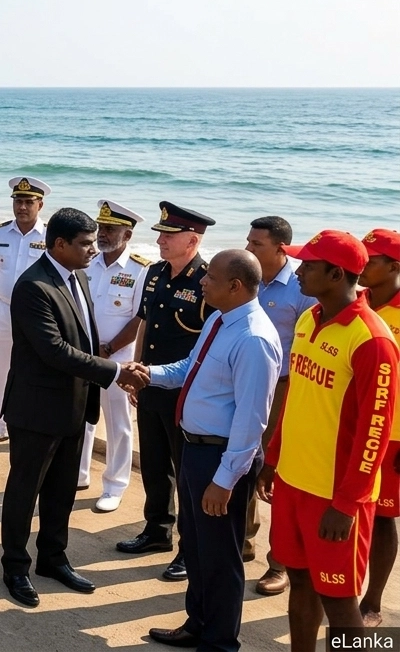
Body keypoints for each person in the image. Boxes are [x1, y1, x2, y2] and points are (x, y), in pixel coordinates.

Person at [128, 250, 281, 651]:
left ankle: (220, 642)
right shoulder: (219, 319)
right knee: (196, 547)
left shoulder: (254, 339)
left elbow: (251, 420)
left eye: (210, 277)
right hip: (196, 450)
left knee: (220, 557)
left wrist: (225, 480)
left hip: (221, 458)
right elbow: (189, 369)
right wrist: (149, 373)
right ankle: (198, 624)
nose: (201, 282)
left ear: (235, 286)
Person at [0, 207, 147, 608]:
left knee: (62, 489)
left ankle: (52, 558)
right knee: (25, 491)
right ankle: (15, 566)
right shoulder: (33, 287)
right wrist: (115, 372)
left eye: (94, 241)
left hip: (74, 406)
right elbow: (55, 350)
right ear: (59, 244)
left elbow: (85, 338)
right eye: (85, 243)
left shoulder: (78, 275)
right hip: (37, 408)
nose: (93, 250)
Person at [257, 230, 399, 652]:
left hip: (333, 494)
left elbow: (375, 431)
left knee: (339, 601)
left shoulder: (372, 339)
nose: (299, 271)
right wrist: (272, 458)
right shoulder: (309, 319)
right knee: (299, 581)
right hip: (293, 481)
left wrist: (347, 504)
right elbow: (296, 398)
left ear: (336, 275)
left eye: (309, 265)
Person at [117, 201, 217, 583]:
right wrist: (136, 371)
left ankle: (189, 549)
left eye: (169, 235)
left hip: (184, 394)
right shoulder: (155, 272)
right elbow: (146, 323)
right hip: (151, 384)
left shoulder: (207, 281)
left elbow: (210, 342)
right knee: (155, 465)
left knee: (186, 472)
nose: (160, 240)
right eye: (160, 234)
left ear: (192, 241)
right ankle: (157, 530)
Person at [244, 216, 311, 596]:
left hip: (284, 388)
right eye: (249, 241)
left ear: (281, 248)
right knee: (242, 460)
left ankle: (279, 562)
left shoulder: (303, 288)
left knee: (277, 472)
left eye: (257, 243)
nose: (249, 248)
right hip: (244, 384)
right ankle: (243, 540)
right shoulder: (246, 279)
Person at [79, 200, 152, 513]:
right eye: (101, 227)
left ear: (128, 235)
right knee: (82, 416)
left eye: (110, 229)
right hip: (85, 354)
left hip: (118, 358)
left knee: (118, 424)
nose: (103, 233)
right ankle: (79, 474)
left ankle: (114, 485)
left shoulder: (140, 269)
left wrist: (107, 350)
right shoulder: (87, 262)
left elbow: (139, 318)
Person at [0, 176, 50, 446]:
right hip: (3, 308)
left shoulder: (51, 236)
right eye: (18, 201)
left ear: (40, 205)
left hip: (38, 314)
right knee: (0, 370)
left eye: (29, 202)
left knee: (38, 370)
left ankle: (34, 425)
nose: (22, 207)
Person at [358, 229, 400, 627]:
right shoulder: (356, 302)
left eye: (371, 260)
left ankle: (372, 602)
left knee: (384, 517)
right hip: (351, 428)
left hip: (394, 437)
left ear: (394, 266)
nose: (362, 265)